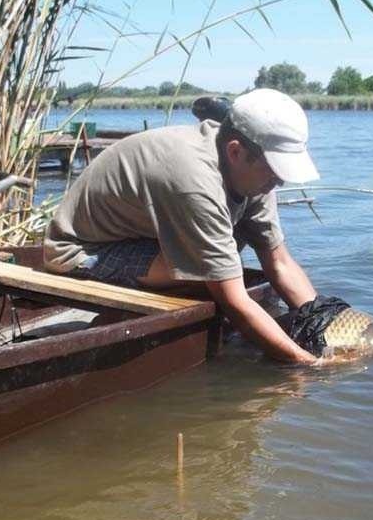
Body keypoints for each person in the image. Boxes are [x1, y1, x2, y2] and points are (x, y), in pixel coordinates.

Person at [43, 88, 323, 364]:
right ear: (236, 152)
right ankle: (113, 327)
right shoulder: (194, 182)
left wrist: (322, 320)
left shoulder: (255, 177)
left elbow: (280, 263)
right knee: (212, 275)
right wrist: (310, 363)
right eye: (274, 169)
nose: (280, 181)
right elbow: (233, 298)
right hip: (81, 249)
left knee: (222, 268)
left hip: (143, 237)